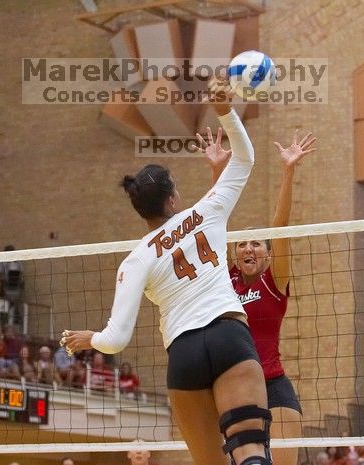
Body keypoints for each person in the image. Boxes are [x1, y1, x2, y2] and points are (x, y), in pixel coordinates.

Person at [64, 79, 273, 465]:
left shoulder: (136, 260)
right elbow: (244, 158)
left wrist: (88, 338)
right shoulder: (206, 211)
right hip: (229, 335)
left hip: (184, 353)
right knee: (251, 452)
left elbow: (116, 339)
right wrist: (224, 110)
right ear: (174, 197)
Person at [206, 127, 315, 465]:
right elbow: (213, 224)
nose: (248, 247)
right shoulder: (227, 279)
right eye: (242, 243)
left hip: (274, 386)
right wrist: (216, 172)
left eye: (256, 242)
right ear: (235, 253)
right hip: (234, 388)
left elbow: (280, 227)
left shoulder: (274, 278)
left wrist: (289, 170)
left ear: (268, 254)